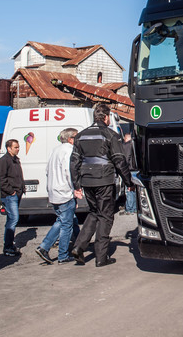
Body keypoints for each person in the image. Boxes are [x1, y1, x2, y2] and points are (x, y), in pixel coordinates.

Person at [70, 104, 132, 267]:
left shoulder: (80, 136)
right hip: (104, 179)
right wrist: (128, 182)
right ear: (106, 117)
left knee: (93, 212)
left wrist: (76, 184)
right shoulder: (111, 135)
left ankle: (78, 246)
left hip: (86, 180)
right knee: (105, 216)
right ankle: (101, 257)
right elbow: (119, 160)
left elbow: (74, 161)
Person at [36, 128, 82, 265]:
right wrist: (75, 189)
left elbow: (47, 170)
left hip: (54, 190)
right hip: (65, 191)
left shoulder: (55, 150)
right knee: (66, 224)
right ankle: (62, 255)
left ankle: (44, 246)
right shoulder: (69, 151)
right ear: (70, 139)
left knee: (61, 220)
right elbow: (70, 172)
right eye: (76, 137)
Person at [0, 139, 24, 256]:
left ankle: (10, 244)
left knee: (12, 219)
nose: (18, 149)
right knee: (13, 219)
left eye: (18, 147)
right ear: (9, 148)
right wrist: (11, 191)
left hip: (16, 193)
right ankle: (8, 246)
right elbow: (1, 179)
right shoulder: (4, 161)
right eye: (15, 147)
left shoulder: (15, 160)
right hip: (9, 195)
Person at [121, 133, 137, 215]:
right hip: (135, 168)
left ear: (125, 138)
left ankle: (130, 209)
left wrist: (124, 168)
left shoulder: (127, 145)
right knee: (133, 189)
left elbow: (126, 157)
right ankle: (133, 208)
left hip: (129, 169)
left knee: (129, 189)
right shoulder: (134, 144)